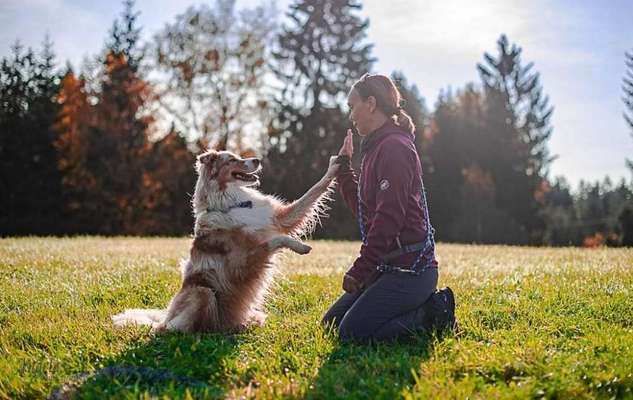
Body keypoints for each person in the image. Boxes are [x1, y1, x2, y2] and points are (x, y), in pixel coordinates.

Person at [322, 73, 456, 342]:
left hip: (412, 272)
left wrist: (360, 270)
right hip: (387, 268)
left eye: (353, 106)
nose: (351, 116)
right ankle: (410, 309)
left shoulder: (395, 148)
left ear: (371, 104)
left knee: (352, 333)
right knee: (331, 325)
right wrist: (344, 170)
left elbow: (388, 220)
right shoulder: (375, 149)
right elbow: (366, 213)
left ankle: (433, 313)